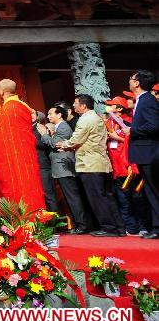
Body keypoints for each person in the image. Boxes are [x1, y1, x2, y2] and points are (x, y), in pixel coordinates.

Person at [58, 94, 126, 237]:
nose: (74, 106)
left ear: (83, 105)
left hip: (90, 164)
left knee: (97, 197)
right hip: (101, 163)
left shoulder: (86, 119)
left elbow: (76, 139)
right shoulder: (96, 117)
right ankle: (118, 227)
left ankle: (108, 227)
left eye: (76, 103)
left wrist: (64, 144)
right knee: (107, 196)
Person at [0, 79, 46, 211]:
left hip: (13, 158)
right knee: (30, 185)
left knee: (16, 187)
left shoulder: (7, 110)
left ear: (2, 91)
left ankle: (21, 222)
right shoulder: (22, 106)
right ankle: (36, 220)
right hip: (27, 156)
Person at [42, 103, 90, 234]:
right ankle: (77, 224)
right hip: (60, 168)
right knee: (70, 197)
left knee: (73, 197)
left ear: (59, 115)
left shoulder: (63, 127)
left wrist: (44, 135)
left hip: (64, 167)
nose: (48, 116)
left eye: (51, 113)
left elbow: (54, 144)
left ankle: (82, 225)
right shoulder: (59, 128)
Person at [125, 70, 159, 239]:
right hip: (144, 153)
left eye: (131, 79)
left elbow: (154, 126)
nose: (129, 81)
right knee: (150, 191)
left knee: (154, 190)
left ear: (137, 83)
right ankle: (155, 227)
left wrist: (132, 130)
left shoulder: (148, 101)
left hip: (150, 153)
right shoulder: (142, 100)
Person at [104, 96, 144, 235]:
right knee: (123, 200)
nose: (109, 107)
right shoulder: (107, 122)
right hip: (115, 168)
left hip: (129, 167)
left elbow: (132, 140)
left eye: (112, 105)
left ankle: (143, 227)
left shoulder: (128, 121)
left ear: (119, 108)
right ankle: (131, 227)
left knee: (136, 198)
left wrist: (117, 137)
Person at [33, 110, 59, 211]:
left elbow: (45, 144)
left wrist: (30, 140)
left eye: (32, 114)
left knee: (49, 194)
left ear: (37, 116)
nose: (30, 116)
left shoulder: (42, 127)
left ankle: (55, 223)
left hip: (43, 165)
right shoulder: (27, 128)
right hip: (34, 166)